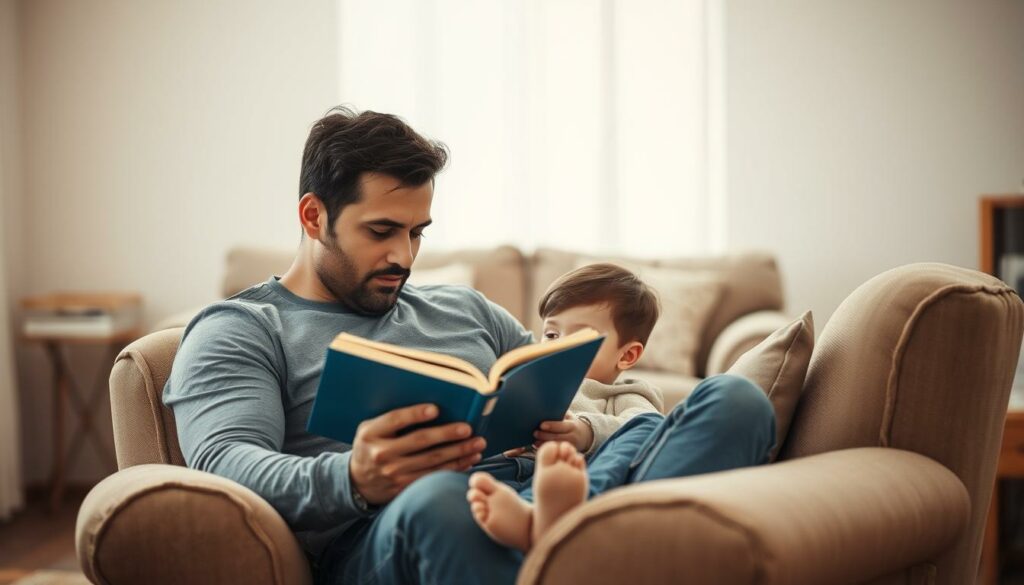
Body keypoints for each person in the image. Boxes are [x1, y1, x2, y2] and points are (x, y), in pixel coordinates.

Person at [162, 106, 777, 585]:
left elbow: (587, 400)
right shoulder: (240, 329)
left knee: (735, 402)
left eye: (416, 232)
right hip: (392, 526)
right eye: (381, 231)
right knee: (438, 498)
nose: (403, 256)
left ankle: (566, 546)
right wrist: (353, 477)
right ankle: (592, 557)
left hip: (552, 496)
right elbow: (224, 463)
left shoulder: (464, 308)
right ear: (313, 215)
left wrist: (583, 432)